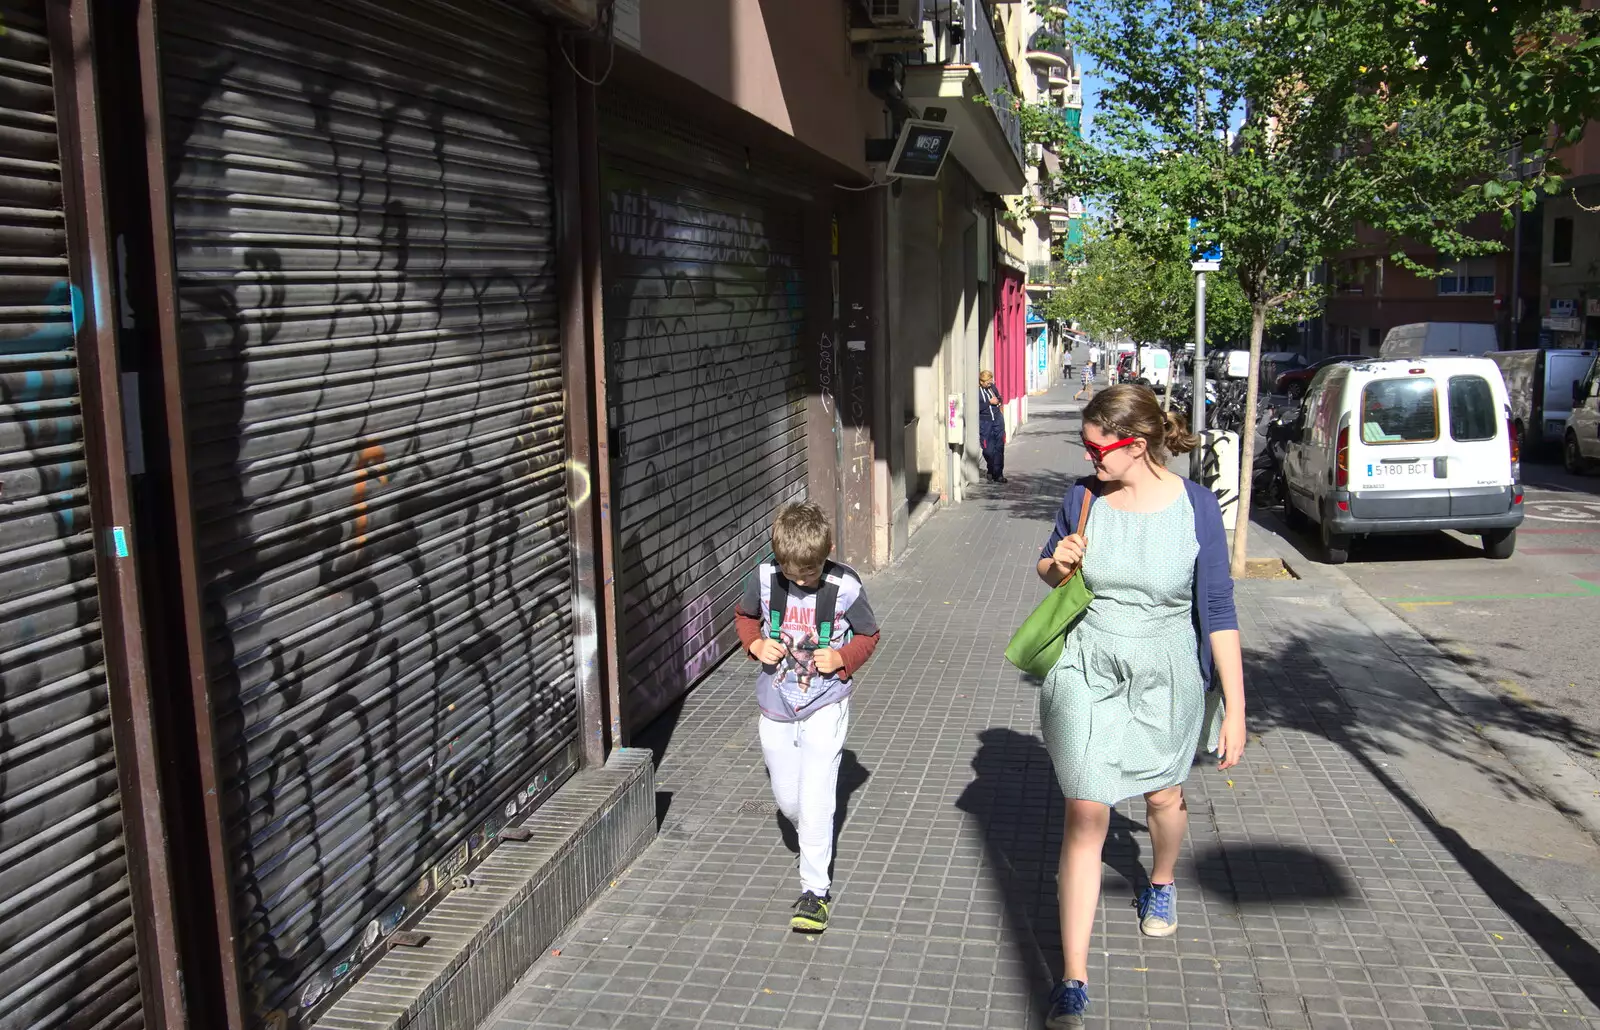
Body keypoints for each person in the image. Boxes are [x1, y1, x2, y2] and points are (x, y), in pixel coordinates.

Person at [1033, 385, 1247, 1028]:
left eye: (1098, 447)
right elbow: (1049, 570)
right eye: (1085, 444)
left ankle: (1160, 879)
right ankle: (1073, 976)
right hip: (1088, 668)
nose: (1089, 456)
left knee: (1162, 800)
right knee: (1086, 811)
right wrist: (1058, 564)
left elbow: (1218, 611)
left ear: (1138, 443)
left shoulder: (1198, 509)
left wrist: (1234, 707)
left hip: (1167, 675)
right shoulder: (1082, 499)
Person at [735, 502, 881, 934]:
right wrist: (755, 645)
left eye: (809, 573)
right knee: (788, 799)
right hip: (775, 701)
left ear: (829, 552)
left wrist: (841, 657)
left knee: (816, 794)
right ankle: (811, 831)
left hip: (827, 701)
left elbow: (870, 636)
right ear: (777, 557)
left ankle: (815, 892)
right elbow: (745, 619)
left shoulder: (846, 586)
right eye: (792, 573)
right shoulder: (763, 578)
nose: (800, 580)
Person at [978, 370, 1007, 483]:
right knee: (988, 450)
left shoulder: (992, 388)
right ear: (982, 381)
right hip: (985, 423)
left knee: (999, 448)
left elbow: (999, 398)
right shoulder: (977, 392)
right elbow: (977, 407)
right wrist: (989, 402)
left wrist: (998, 401)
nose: (990, 384)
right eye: (988, 382)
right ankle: (991, 468)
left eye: (991, 381)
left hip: (998, 420)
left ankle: (998, 474)